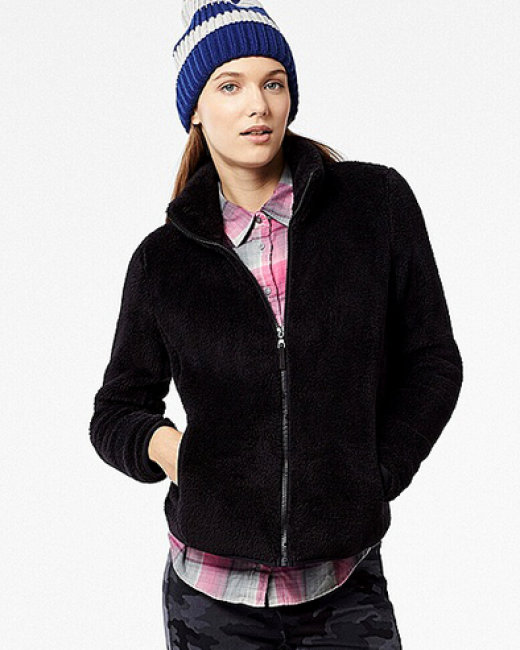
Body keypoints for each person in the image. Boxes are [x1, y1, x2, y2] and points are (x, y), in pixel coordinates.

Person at [89, 1, 463, 648]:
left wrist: (377, 474)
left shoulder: (374, 207)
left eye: (273, 82)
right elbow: (116, 412)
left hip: (344, 587)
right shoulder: (163, 262)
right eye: (229, 86)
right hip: (209, 600)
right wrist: (176, 454)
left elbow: (432, 359)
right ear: (196, 109)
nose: (257, 105)